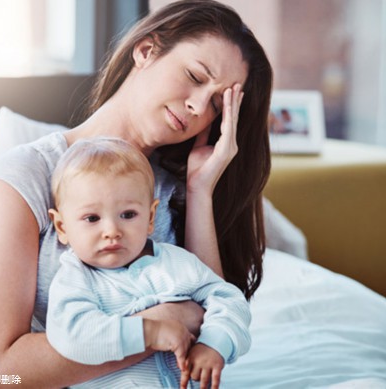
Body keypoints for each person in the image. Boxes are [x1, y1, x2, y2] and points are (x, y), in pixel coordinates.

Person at [0, 0, 272, 388]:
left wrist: (201, 191)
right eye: (196, 77)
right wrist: (155, 328)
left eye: (217, 104)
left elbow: (207, 321)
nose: (198, 106)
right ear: (146, 51)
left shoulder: (179, 188)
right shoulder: (28, 174)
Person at [45, 137, 251, 389]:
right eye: (91, 218)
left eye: (128, 215)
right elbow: (72, 336)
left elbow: (229, 299)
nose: (111, 230)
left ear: (151, 216)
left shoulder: (176, 262)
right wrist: (149, 332)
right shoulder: (75, 279)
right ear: (62, 227)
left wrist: (214, 343)